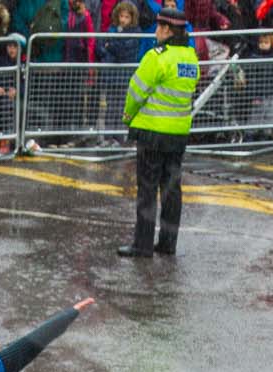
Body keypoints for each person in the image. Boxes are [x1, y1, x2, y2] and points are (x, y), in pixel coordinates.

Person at [118, 6, 197, 258]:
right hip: (178, 132)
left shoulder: (156, 56)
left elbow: (136, 90)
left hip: (152, 131)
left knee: (148, 190)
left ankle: (142, 245)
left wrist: (128, 116)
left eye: (159, 27)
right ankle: (167, 243)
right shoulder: (190, 58)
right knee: (172, 189)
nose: (156, 31)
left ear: (166, 29)